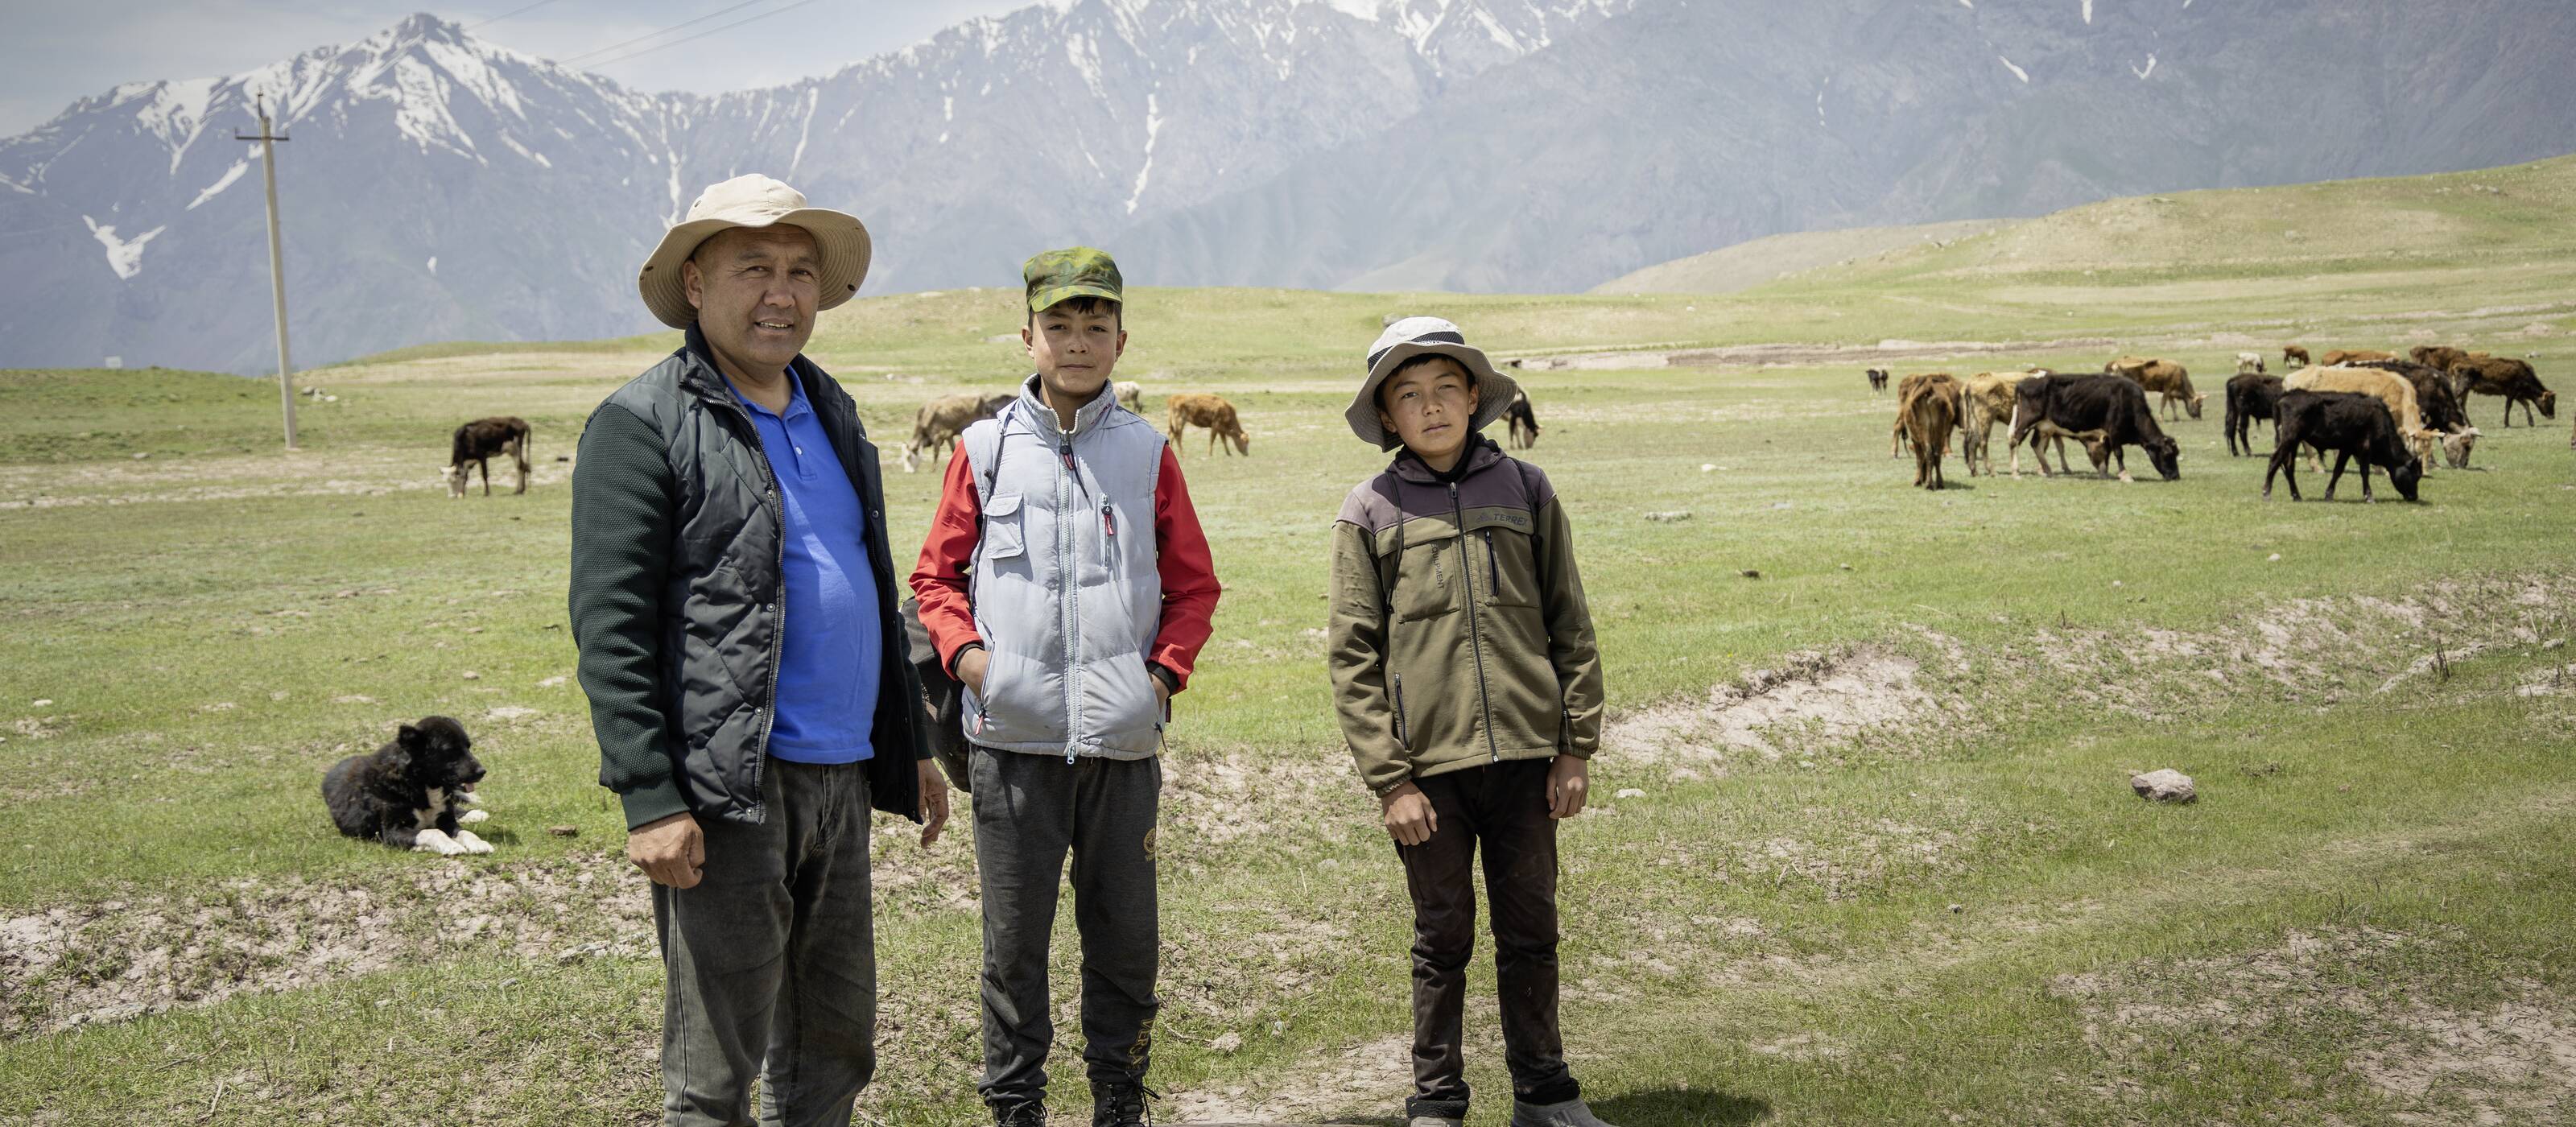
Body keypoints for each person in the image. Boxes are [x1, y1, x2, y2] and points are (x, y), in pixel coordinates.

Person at [570, 173, 951, 1127]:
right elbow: (609, 627)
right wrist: (650, 796)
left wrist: (913, 740)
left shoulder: (833, 409)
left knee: (833, 1044)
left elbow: (869, 578)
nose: (780, 292)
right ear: (694, 283)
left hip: (841, 775)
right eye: (754, 269)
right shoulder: (641, 423)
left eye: (797, 272)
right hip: (730, 785)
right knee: (715, 1068)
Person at [910, 247, 1221, 1127]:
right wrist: (975, 663)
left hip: (1123, 746)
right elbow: (934, 581)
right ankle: (1016, 1109)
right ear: (1028, 335)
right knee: (1013, 949)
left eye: (1094, 326)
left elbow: (1193, 586)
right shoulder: (980, 448)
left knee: (1124, 940)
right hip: (1009, 745)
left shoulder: (1150, 452)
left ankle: (1120, 1103)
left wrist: (1158, 677)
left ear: (1120, 339)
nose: (1076, 343)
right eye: (1059, 326)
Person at [1325, 317, 1617, 1127]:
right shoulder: (1368, 510)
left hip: (1528, 759)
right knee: (1440, 935)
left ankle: (1544, 1093)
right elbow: (1351, 657)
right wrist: (1390, 778)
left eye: (1445, 389)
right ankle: (1437, 1101)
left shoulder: (1526, 488)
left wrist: (1573, 746)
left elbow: (1570, 621)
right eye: (1408, 395)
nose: (1430, 407)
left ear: (1474, 397)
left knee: (1531, 927)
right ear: (1387, 415)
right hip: (1428, 773)